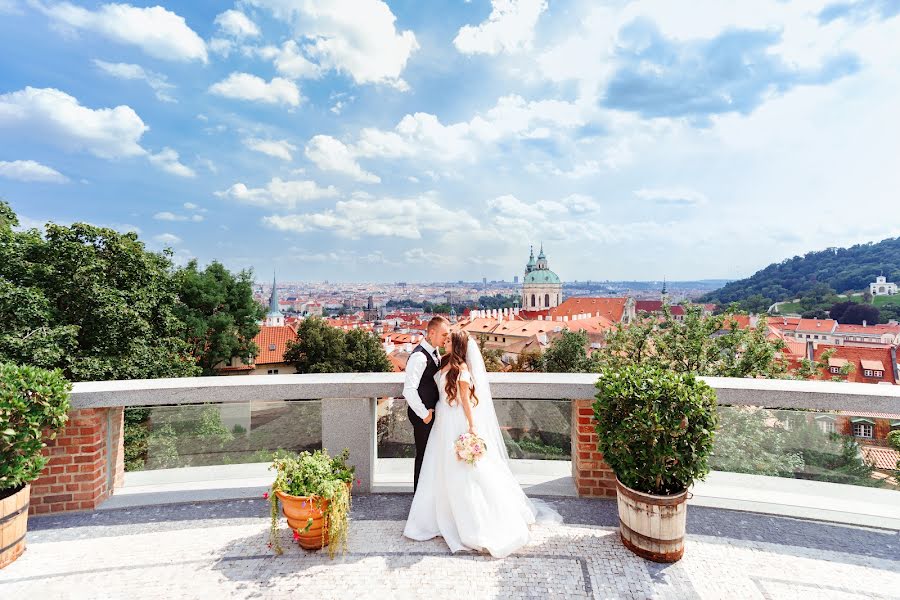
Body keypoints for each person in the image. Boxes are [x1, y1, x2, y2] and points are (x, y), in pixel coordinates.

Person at [403, 330, 561, 558]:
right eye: (444, 339)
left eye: (449, 341)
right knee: (438, 467)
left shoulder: (463, 371)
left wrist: (472, 427)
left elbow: (466, 402)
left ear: (457, 345)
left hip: (455, 421)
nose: (445, 343)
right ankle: (435, 515)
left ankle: (470, 519)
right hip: (442, 421)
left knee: (462, 471)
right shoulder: (446, 362)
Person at [402, 315, 450, 491]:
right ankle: (418, 496)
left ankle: (428, 494)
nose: (447, 338)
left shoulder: (433, 351)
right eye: (444, 334)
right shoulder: (419, 357)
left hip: (429, 412)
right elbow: (409, 389)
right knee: (423, 455)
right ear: (432, 332)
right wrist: (425, 414)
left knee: (430, 455)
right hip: (423, 415)